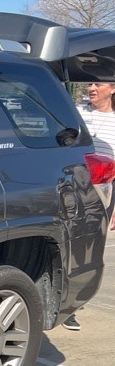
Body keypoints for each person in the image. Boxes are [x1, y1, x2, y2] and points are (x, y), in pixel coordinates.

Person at [64, 80, 115, 330]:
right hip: (74, 185)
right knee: (71, 244)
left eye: (97, 84)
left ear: (113, 88)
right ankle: (63, 300)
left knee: (92, 248)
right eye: (90, 84)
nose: (91, 88)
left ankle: (75, 304)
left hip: (103, 189)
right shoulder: (76, 112)